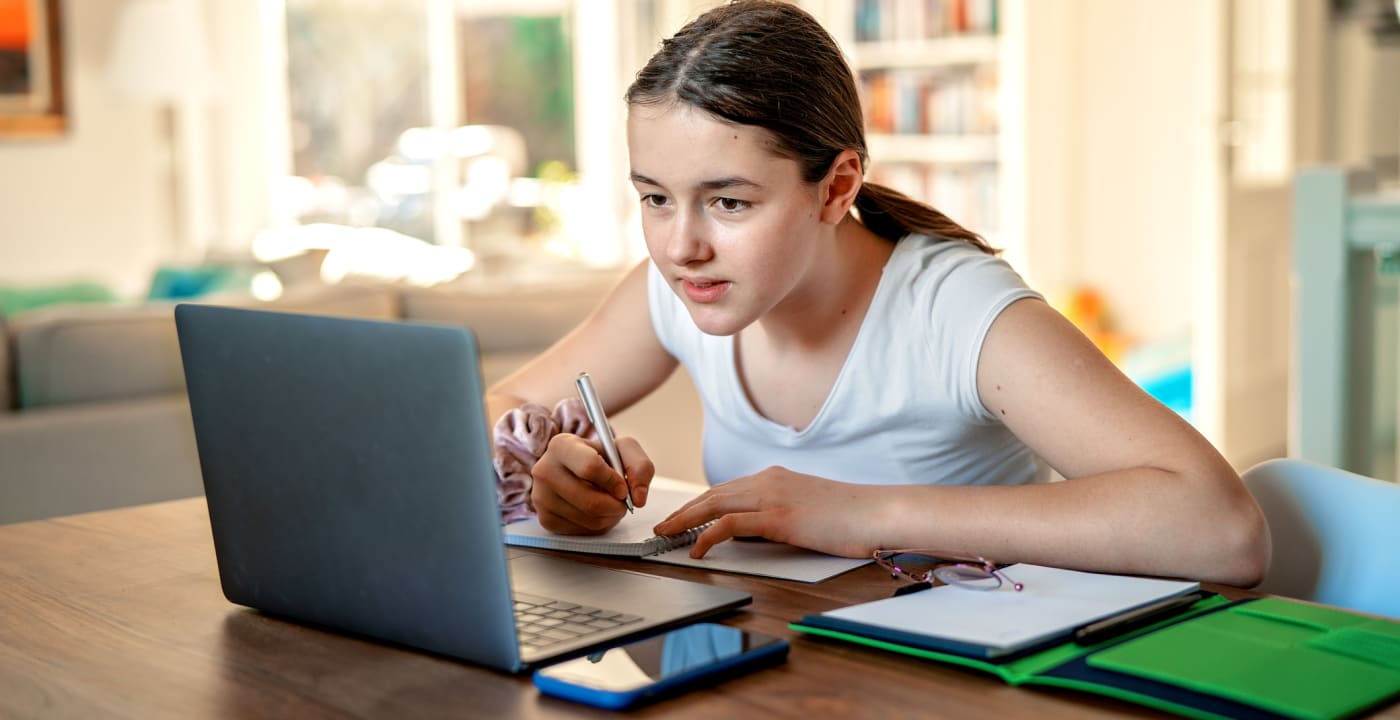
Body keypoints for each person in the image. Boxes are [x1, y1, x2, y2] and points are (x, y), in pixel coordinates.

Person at [485, 0, 1269, 587]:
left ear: (837, 188)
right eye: (655, 197)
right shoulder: (676, 288)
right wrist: (554, 467)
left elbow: (1222, 529)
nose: (680, 243)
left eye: (728, 202)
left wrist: (867, 513)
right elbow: (494, 408)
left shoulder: (955, 311)